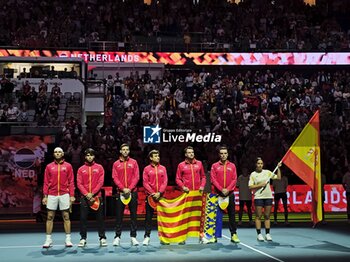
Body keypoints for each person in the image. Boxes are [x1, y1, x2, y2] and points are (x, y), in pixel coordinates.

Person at [42, 147, 75, 248]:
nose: (57, 153)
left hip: (64, 194)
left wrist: (72, 195)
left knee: (66, 216)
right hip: (52, 194)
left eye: (59, 152)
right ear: (53, 154)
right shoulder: (49, 167)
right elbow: (46, 182)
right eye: (55, 152)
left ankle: (68, 239)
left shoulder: (68, 166)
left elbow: (71, 182)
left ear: (63, 154)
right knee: (50, 217)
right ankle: (48, 240)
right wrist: (45, 196)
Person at [77, 148, 107, 247]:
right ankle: (83, 238)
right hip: (84, 197)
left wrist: (93, 193)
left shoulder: (99, 168)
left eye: (91, 155)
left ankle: (102, 237)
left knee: (100, 218)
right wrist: (86, 194)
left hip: (97, 197)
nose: (89, 157)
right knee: (83, 218)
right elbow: (79, 183)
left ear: (94, 156)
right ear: (85, 157)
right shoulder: (81, 169)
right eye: (87, 155)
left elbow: (100, 182)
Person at [175, 146, 206, 245]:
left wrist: (202, 186)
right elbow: (178, 179)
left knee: (199, 216)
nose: (191, 154)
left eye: (192, 152)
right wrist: (183, 187)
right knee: (185, 217)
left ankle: (201, 236)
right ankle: (182, 238)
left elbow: (203, 177)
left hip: (198, 194)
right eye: (189, 152)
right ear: (185, 154)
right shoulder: (181, 165)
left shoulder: (199, 163)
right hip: (186, 194)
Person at [210, 146, 240, 243]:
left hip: (229, 194)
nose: (223, 155)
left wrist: (228, 189)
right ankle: (214, 235)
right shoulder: (214, 166)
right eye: (221, 153)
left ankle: (234, 234)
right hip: (217, 194)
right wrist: (221, 189)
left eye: (225, 153)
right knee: (217, 216)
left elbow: (234, 179)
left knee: (232, 215)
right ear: (219, 155)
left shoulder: (232, 166)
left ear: (227, 154)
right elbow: (213, 179)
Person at [112, 144, 140, 246]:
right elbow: (115, 177)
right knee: (119, 216)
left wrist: (130, 188)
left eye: (127, 150)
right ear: (120, 151)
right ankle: (117, 236)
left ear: (129, 151)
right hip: (120, 192)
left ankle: (133, 237)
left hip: (133, 192)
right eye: (123, 149)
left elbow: (136, 177)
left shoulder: (134, 162)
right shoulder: (116, 164)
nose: (125, 151)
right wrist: (123, 188)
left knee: (133, 215)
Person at [249, 157, 281, 242]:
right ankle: (259, 234)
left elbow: (278, 178)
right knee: (258, 216)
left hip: (268, 197)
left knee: (267, 216)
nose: (260, 165)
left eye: (261, 163)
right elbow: (250, 186)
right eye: (258, 163)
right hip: (258, 197)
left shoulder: (267, 172)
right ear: (256, 164)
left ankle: (267, 234)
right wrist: (260, 185)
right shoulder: (253, 174)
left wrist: (278, 168)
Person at [142, 150, 168, 246]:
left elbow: (165, 181)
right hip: (150, 197)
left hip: (161, 197)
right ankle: (147, 237)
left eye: (158, 155)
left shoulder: (163, 168)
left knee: (163, 219)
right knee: (148, 218)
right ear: (151, 158)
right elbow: (145, 183)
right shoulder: (146, 169)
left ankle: (165, 238)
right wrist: (153, 193)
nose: (158, 157)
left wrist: (159, 192)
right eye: (155, 156)